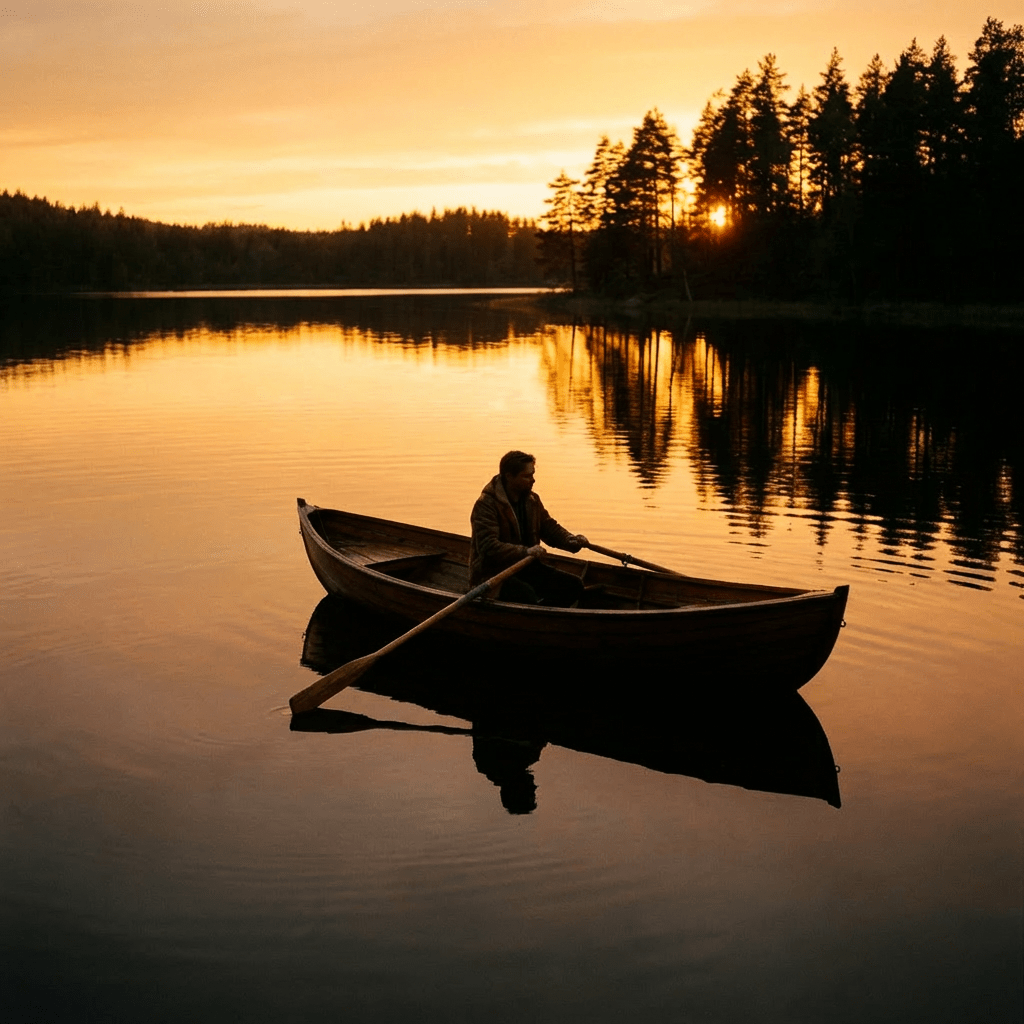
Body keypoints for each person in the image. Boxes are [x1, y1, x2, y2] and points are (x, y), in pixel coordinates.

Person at [469, 451, 589, 606]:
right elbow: (488, 547)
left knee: (574, 585)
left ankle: (546, 619)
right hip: (493, 574)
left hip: (526, 568)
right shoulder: (486, 505)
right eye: (526, 476)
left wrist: (571, 540)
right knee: (527, 596)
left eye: (532, 475)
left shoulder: (532, 500)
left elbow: (549, 528)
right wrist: (525, 552)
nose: (533, 480)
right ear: (509, 477)